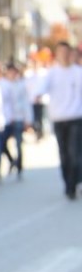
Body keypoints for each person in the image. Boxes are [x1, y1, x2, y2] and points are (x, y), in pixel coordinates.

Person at [34, 41, 82, 199]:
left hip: (76, 117)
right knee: (63, 154)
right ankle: (68, 183)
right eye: (61, 52)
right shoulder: (52, 73)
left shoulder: (78, 72)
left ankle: (74, 183)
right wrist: (38, 94)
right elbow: (40, 88)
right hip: (59, 118)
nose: (64, 55)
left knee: (74, 153)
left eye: (66, 52)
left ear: (70, 53)